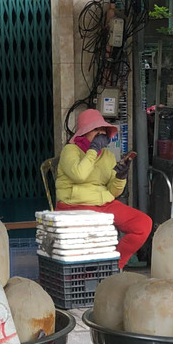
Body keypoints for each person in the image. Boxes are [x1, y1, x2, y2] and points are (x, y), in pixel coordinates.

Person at [54, 109, 151, 270]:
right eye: (95, 130)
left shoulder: (107, 155)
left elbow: (113, 192)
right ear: (84, 133)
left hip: (102, 204)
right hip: (74, 205)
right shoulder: (70, 151)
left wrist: (121, 176)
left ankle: (115, 266)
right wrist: (93, 150)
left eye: (102, 130)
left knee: (143, 224)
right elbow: (79, 175)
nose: (100, 134)